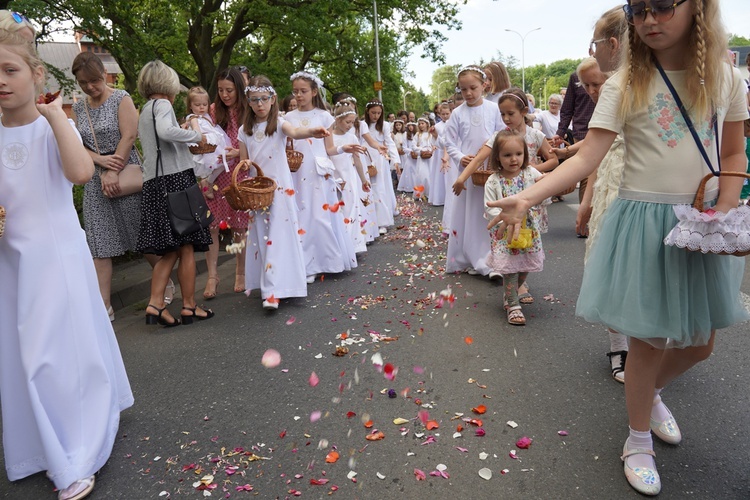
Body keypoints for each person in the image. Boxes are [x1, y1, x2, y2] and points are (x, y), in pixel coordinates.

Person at [487, 0, 749, 493]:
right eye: (639, 9)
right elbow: (587, 155)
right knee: (647, 343)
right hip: (643, 223)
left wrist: (725, 210)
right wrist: (525, 195)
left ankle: (648, 397)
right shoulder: (625, 82)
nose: (650, 19)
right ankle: (637, 440)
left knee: (700, 343)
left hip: (701, 222)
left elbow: (733, 150)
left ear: (697, 8)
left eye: (664, 6)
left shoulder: (724, 77)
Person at [0, 29, 133, 500]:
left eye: (10, 70)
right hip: (11, 262)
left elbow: (79, 174)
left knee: (53, 352)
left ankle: (76, 449)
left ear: (36, 75)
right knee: (25, 354)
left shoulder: (50, 123)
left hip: (55, 255)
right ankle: (41, 439)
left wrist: (55, 115)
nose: (1, 81)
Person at [71, 51, 166, 321]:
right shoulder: (79, 108)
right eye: (83, 83)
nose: (90, 87)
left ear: (103, 74)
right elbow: (77, 146)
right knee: (99, 244)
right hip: (95, 180)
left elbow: (129, 136)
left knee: (141, 237)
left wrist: (112, 169)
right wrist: (100, 162)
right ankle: (104, 306)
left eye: (94, 80)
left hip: (126, 174)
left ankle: (163, 285)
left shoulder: (120, 98)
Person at [238, 76, 332, 309]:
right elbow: (244, 161)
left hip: (280, 188)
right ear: (248, 102)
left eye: (264, 99)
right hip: (258, 190)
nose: (260, 104)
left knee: (279, 237)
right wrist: (243, 165)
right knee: (263, 236)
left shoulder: (279, 124)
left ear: (273, 100)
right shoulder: (244, 130)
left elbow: (296, 132)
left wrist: (312, 131)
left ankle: (275, 290)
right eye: (254, 100)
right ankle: (273, 286)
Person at [137, 60, 215, 327]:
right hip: (175, 181)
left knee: (170, 249)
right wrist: (195, 136)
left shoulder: (146, 108)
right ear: (167, 83)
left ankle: (156, 303)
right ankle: (189, 306)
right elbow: (166, 132)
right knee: (187, 245)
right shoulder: (163, 104)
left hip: (155, 183)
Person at [285, 71, 357, 282]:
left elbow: (329, 149)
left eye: (303, 91)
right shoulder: (288, 117)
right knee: (301, 216)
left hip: (317, 172)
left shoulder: (325, 116)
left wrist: (345, 148)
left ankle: (326, 261)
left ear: (314, 92)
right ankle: (305, 264)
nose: (298, 95)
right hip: (297, 171)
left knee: (319, 217)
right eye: (295, 91)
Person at [444, 65, 504, 276]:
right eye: (463, 89)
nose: (468, 93)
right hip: (469, 170)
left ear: (484, 85)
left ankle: (491, 258)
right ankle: (472, 257)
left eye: (473, 88)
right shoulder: (457, 113)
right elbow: (449, 141)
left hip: (490, 168)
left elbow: (501, 133)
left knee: (489, 212)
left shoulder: (493, 109)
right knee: (470, 214)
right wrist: (461, 157)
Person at [484, 131, 545, 325]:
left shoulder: (530, 173)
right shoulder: (494, 180)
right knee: (510, 268)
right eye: (507, 155)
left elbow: (544, 188)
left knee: (525, 265)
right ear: (497, 157)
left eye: (518, 154)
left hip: (528, 229)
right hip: (505, 231)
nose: (514, 159)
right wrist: (503, 220)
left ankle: (512, 292)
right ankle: (512, 304)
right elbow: (489, 206)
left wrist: (546, 183)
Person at [204, 68, 248, 298]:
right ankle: (212, 276)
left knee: (240, 225)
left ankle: (241, 271)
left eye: (229, 90)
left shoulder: (247, 109)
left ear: (239, 89)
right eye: (220, 90)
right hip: (214, 173)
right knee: (211, 226)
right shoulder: (212, 110)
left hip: (239, 172)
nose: (224, 95)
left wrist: (237, 153)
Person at [325, 102, 371, 254]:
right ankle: (339, 247)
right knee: (335, 211)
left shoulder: (352, 137)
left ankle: (351, 245)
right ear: (337, 120)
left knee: (349, 210)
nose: (350, 125)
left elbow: (357, 161)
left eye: (352, 122)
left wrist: (363, 180)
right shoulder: (328, 137)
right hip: (333, 177)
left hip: (348, 177)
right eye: (347, 122)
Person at [553, 69, 596, 203]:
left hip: (605, 131)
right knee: (586, 177)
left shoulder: (613, 73)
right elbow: (567, 108)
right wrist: (561, 132)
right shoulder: (576, 77)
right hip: (582, 132)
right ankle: (587, 219)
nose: (591, 90)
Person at [363, 99, 401, 234]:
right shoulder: (362, 125)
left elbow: (389, 143)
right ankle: (368, 219)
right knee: (367, 188)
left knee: (380, 189)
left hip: (380, 158)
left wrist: (395, 160)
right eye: (373, 113)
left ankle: (381, 221)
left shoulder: (384, 125)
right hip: (366, 157)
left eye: (379, 113)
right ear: (367, 112)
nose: (376, 116)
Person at [184, 86, 230, 192]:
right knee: (210, 166)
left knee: (223, 163)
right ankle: (206, 182)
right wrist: (201, 136)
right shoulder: (193, 117)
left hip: (213, 146)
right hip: (203, 146)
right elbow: (197, 132)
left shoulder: (206, 116)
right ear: (190, 105)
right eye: (197, 105)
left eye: (205, 104)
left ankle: (208, 182)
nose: (201, 107)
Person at [411, 116, 435, 200]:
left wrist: (430, 150)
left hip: (430, 158)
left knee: (430, 175)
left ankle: (429, 193)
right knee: (422, 175)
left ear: (427, 124)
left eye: (422, 123)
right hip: (421, 157)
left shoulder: (430, 135)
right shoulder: (417, 135)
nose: (421, 125)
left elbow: (433, 145)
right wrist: (421, 151)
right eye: (419, 124)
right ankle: (420, 193)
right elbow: (413, 146)